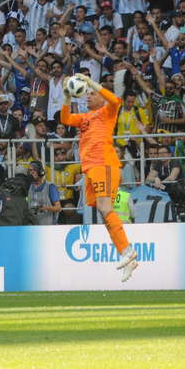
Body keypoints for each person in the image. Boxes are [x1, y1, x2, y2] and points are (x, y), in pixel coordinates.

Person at [61, 73, 138, 282]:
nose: (88, 96)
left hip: (103, 164)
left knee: (105, 208)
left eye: (92, 94)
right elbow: (65, 119)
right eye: (87, 93)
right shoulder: (84, 118)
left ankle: (128, 250)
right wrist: (67, 96)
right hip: (90, 168)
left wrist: (91, 82)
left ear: (101, 98)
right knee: (103, 212)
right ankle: (127, 255)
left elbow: (115, 100)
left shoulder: (107, 111)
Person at [27, 160, 61, 225]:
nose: (32, 172)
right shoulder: (28, 187)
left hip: (47, 226)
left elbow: (58, 208)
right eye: (30, 170)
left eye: (34, 170)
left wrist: (44, 208)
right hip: (32, 225)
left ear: (40, 172)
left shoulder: (50, 186)